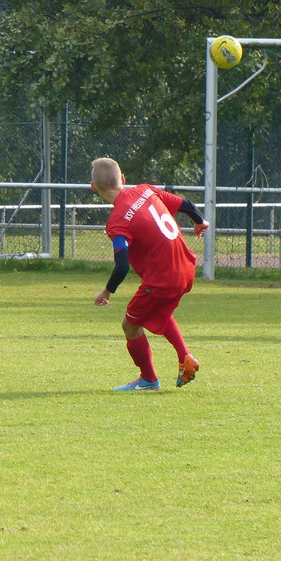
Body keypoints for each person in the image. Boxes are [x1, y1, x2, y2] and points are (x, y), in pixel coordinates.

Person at [90, 157, 209, 391]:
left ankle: (148, 380)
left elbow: (121, 266)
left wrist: (106, 291)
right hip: (186, 267)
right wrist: (200, 221)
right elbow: (186, 204)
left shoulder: (117, 221)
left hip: (163, 280)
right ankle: (185, 357)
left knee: (130, 325)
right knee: (157, 309)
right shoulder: (145, 190)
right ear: (123, 179)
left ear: (94, 187)